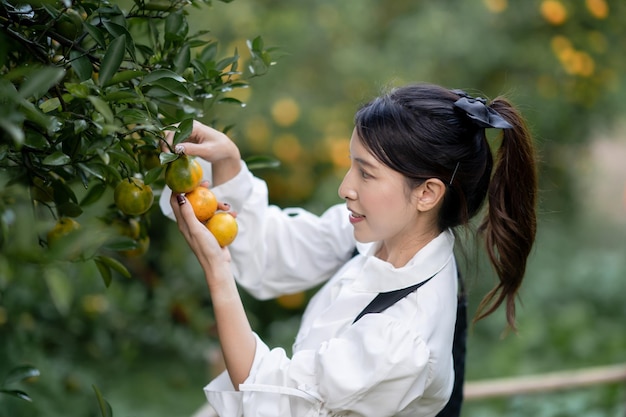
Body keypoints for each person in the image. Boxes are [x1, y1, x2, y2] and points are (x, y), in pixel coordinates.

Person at [162, 83, 538, 417]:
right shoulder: (384, 234)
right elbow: (278, 252)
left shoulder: (401, 339)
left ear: (427, 193)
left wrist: (217, 273)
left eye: (366, 173)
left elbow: (280, 403)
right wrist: (228, 164)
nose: (346, 187)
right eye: (351, 166)